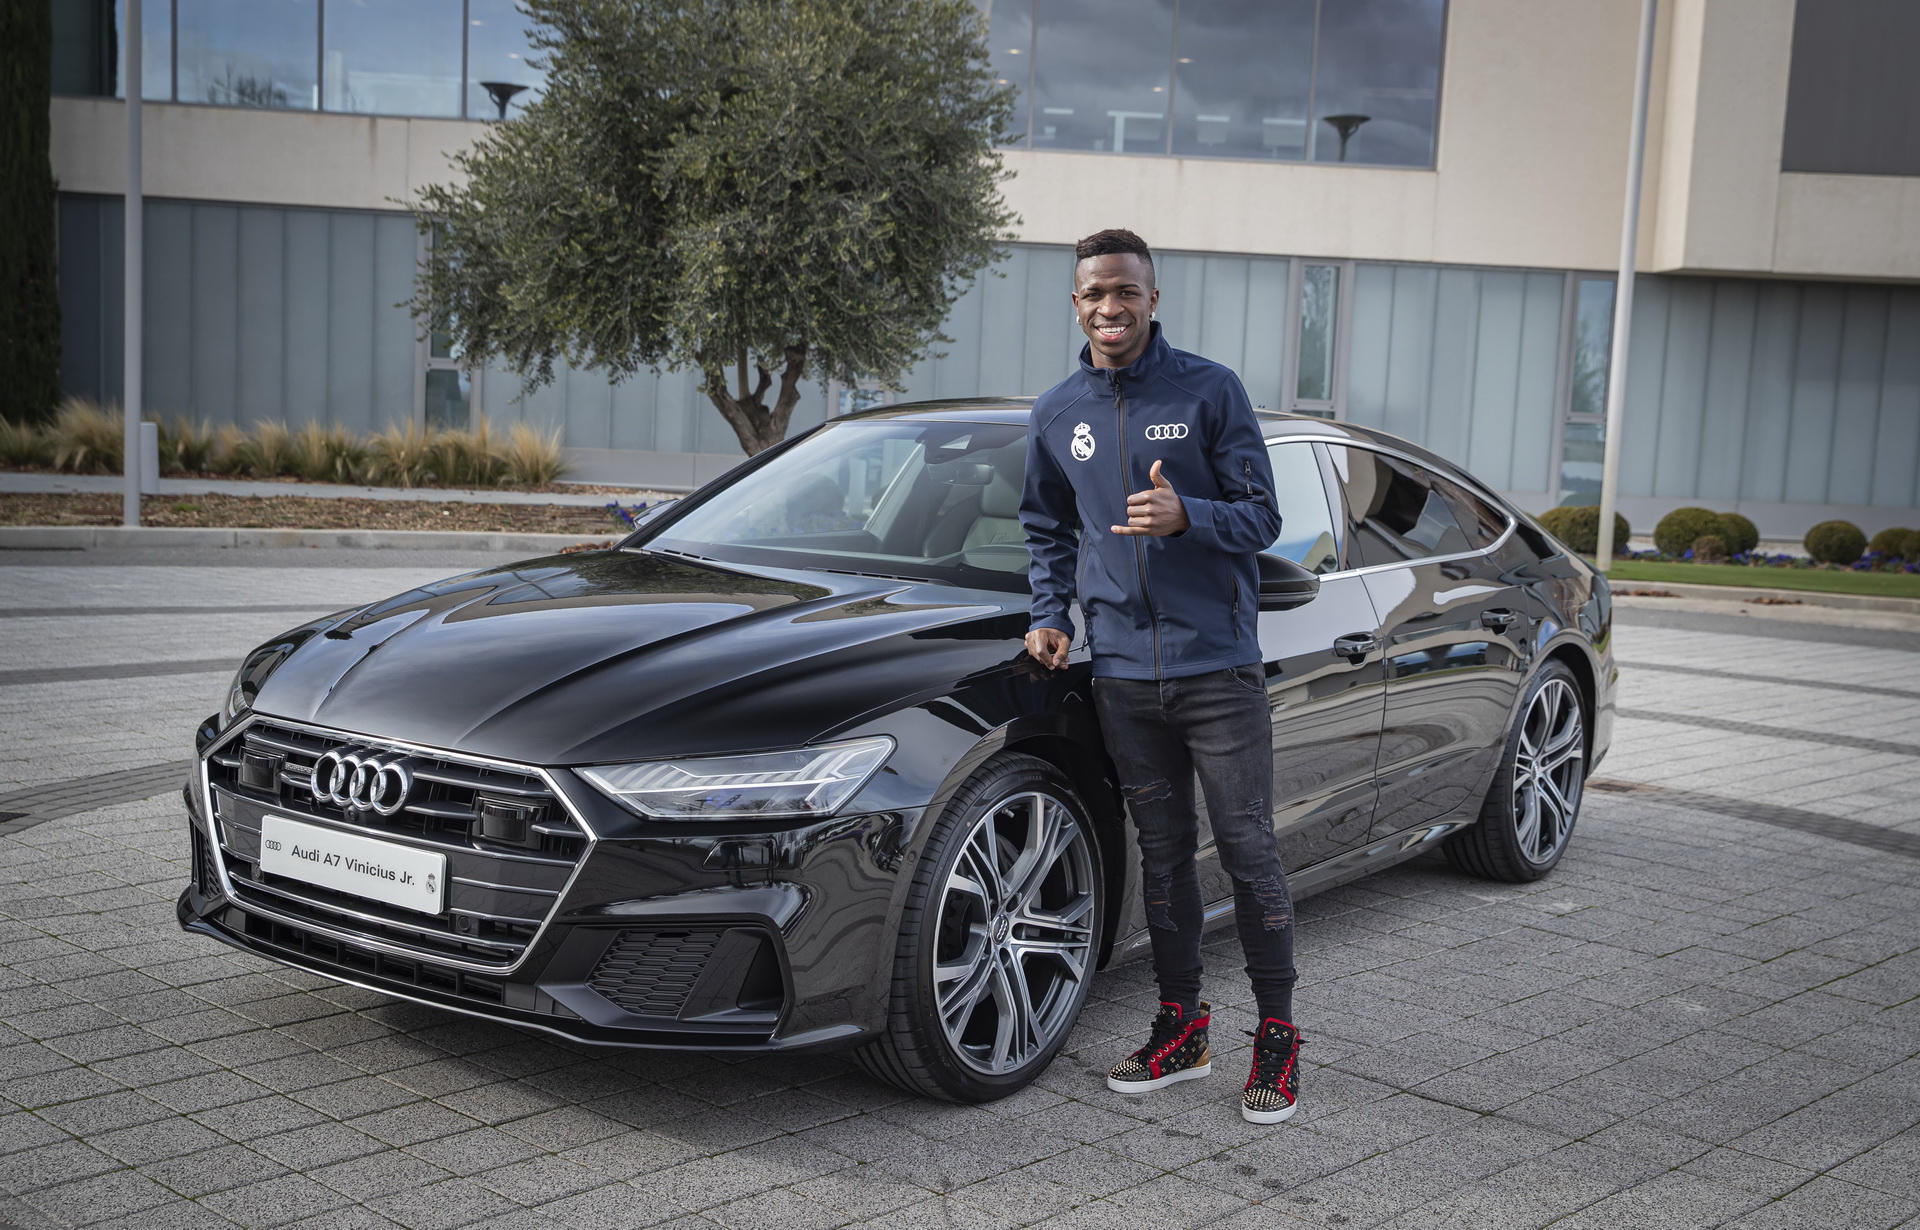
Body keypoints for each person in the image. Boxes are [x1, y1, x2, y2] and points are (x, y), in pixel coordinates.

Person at [1019, 228, 1304, 1125]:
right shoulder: (1057, 410)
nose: (1111, 307)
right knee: (1165, 857)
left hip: (1216, 669)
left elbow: (1263, 517)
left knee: (1250, 850)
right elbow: (1045, 528)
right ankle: (1182, 1027)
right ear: (1077, 303)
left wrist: (1190, 517)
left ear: (1153, 298)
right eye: (1095, 293)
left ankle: (1278, 1038)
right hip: (1123, 680)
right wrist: (1050, 612)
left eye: (1127, 292)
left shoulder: (1209, 389)